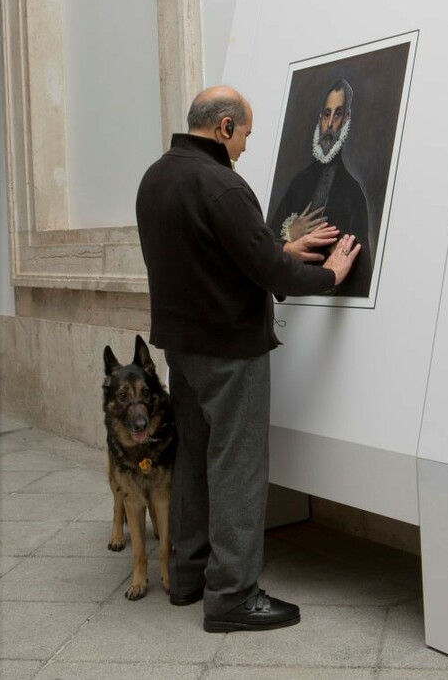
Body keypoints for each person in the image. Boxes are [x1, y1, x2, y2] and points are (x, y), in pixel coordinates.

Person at [135, 85, 360, 633]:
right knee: (237, 467)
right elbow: (272, 274)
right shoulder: (223, 186)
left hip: (183, 349)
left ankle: (187, 579)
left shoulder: (155, 178)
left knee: (191, 459)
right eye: (245, 137)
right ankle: (232, 596)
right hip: (230, 349)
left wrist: (274, 250)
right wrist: (328, 274)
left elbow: (210, 255)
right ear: (225, 126)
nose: (245, 149)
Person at [268, 78, 372, 297]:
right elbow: (262, 252)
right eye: (327, 114)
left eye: (338, 114)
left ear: (346, 119)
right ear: (320, 119)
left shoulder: (354, 194)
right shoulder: (298, 182)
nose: (330, 124)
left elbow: (363, 278)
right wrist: (290, 233)